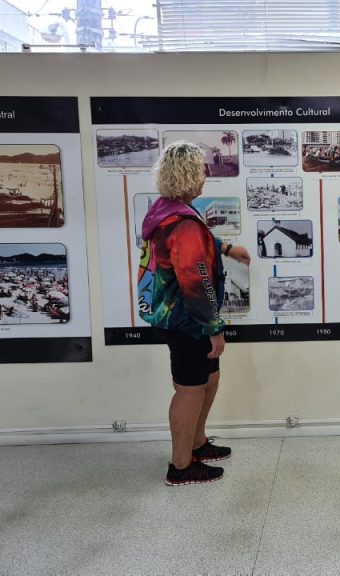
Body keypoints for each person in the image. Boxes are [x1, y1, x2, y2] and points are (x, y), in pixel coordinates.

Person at [141, 142, 251, 486]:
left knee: (209, 378)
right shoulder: (182, 220)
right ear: (188, 175)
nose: (205, 176)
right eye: (201, 170)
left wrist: (226, 248)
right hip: (185, 319)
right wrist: (214, 329)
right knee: (189, 389)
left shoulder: (168, 210)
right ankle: (181, 466)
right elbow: (196, 280)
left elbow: (195, 243)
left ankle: (198, 443)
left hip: (173, 314)